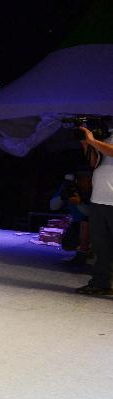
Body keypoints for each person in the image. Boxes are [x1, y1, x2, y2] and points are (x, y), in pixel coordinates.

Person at [76, 125, 113, 295]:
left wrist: (93, 141)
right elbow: (94, 163)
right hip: (98, 198)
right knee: (100, 246)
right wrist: (87, 145)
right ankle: (101, 283)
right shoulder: (106, 135)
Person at [49, 171, 92, 265]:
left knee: (86, 221)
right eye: (81, 179)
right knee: (68, 243)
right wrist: (62, 196)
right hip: (77, 223)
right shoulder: (69, 187)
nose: (85, 181)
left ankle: (86, 253)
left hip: (95, 223)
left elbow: (90, 213)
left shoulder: (94, 190)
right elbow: (53, 206)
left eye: (87, 178)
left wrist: (79, 202)